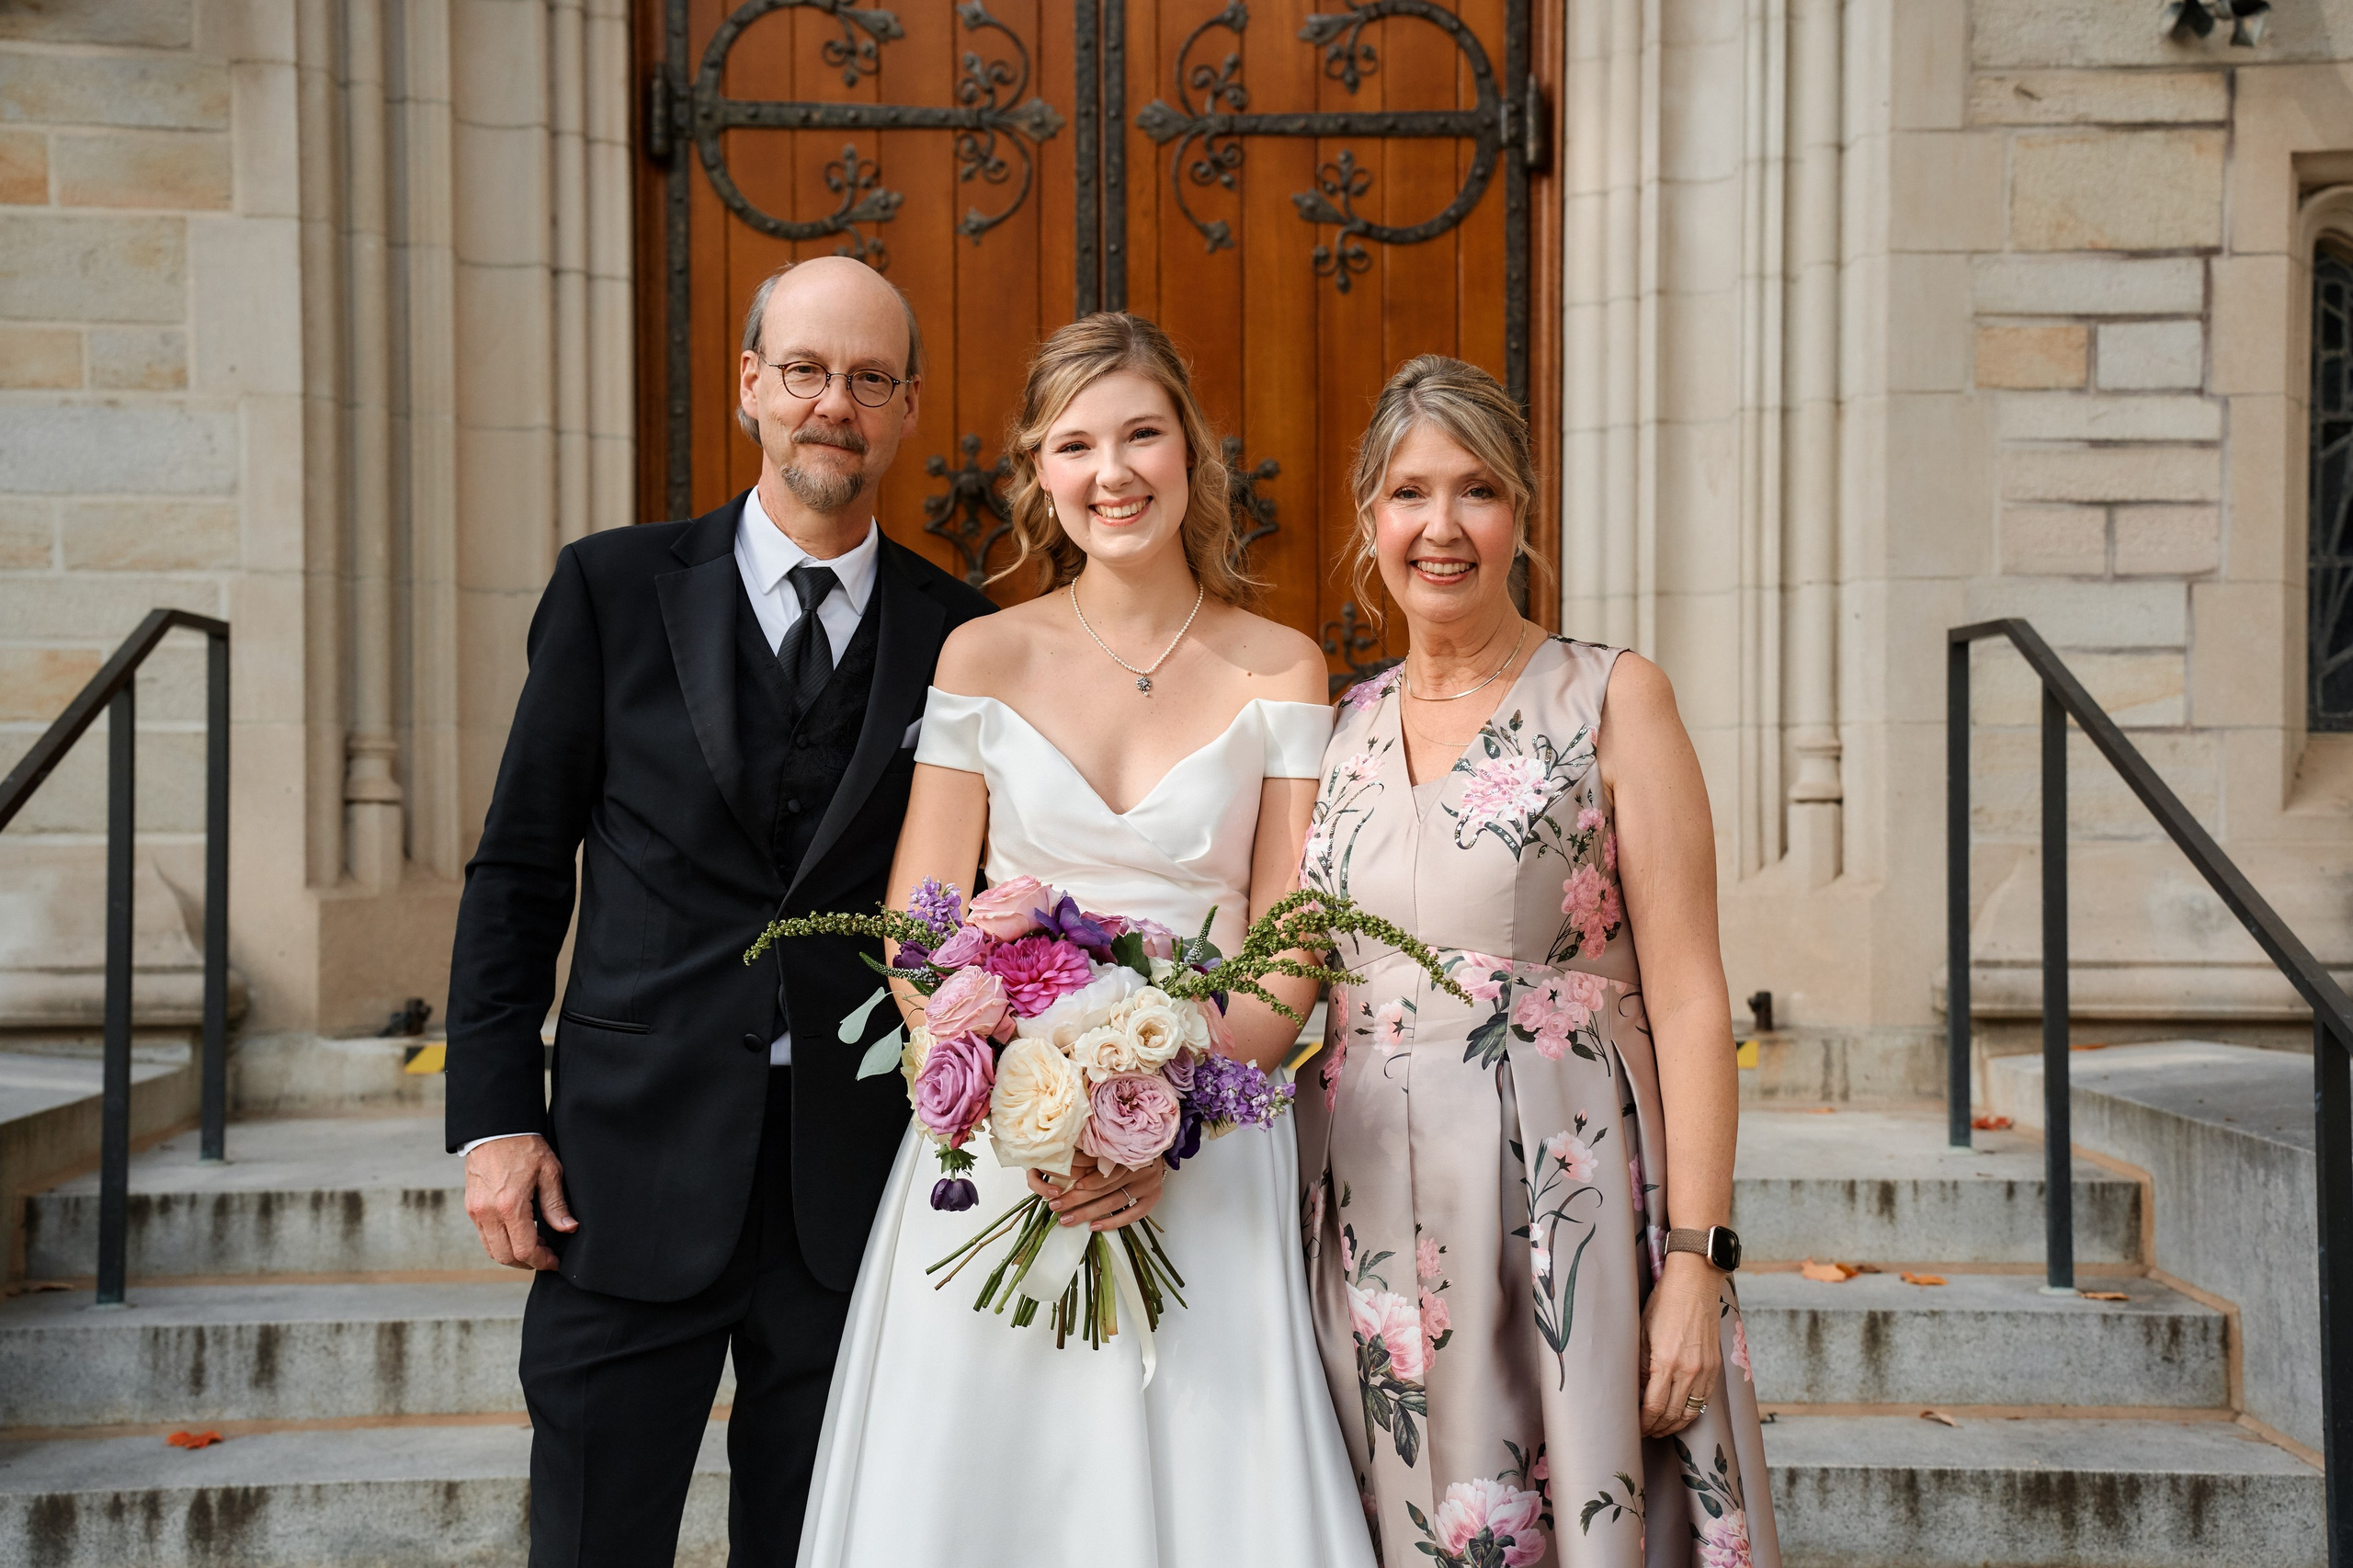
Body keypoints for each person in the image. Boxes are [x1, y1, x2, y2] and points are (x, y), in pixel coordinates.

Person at [795, 312, 1376, 1567]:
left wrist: (1167, 1113)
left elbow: (1289, 937)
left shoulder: (1281, 670)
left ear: (1191, 455)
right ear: (1039, 475)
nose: (1113, 471)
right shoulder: (983, 654)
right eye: (1076, 445)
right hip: (1008, 1146)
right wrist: (1028, 1097)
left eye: (1141, 435)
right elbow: (919, 926)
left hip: (1209, 1149)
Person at [443, 256, 995, 1566]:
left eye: (868, 379)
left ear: (909, 403)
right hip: (620, 1170)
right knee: (592, 1539)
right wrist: (496, 1118)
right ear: (750, 384)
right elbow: (519, 864)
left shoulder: (964, 636)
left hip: (855, 1183)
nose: (834, 405)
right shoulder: (611, 589)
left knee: (818, 1544)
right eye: (805, 370)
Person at [1294, 356, 1780, 1568]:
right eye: (1411, 493)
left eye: (1478, 490)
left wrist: (1695, 1261)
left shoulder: (1613, 699)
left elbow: (1687, 992)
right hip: (1370, 1232)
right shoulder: (1339, 727)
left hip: (1570, 1215)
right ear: (1370, 520)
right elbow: (1283, 973)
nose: (1442, 526)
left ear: (1521, 513)